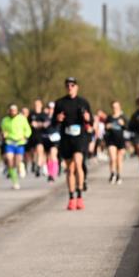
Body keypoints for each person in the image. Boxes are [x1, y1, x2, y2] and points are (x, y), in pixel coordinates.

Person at [52, 77, 92, 211]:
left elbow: (90, 121)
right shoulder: (60, 103)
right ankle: (71, 198)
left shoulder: (83, 102)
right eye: (68, 85)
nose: (70, 87)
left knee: (78, 163)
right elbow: (53, 123)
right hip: (66, 139)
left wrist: (88, 119)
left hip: (79, 138)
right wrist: (58, 119)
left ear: (77, 87)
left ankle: (80, 196)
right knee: (70, 169)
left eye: (72, 85)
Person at [0, 103, 31, 190]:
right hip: (9, 142)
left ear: (17, 111)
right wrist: (3, 134)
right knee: (9, 160)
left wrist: (25, 136)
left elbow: (28, 130)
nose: (12, 112)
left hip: (19, 142)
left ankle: (20, 165)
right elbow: (2, 131)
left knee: (17, 162)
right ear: (8, 111)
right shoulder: (5, 120)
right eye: (11, 110)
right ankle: (15, 182)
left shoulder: (22, 119)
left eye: (14, 110)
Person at [103, 101, 128, 185]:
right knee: (113, 158)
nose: (115, 108)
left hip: (121, 140)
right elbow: (105, 128)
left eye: (116, 106)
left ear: (119, 107)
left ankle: (118, 175)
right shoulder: (109, 117)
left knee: (119, 160)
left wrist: (123, 124)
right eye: (113, 107)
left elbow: (128, 127)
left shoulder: (123, 117)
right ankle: (112, 173)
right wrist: (107, 126)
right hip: (111, 140)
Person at [28, 99, 50, 178]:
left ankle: (39, 166)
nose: (36, 106)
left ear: (41, 105)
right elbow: (29, 124)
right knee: (34, 153)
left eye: (38, 104)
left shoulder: (44, 114)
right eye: (35, 104)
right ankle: (38, 164)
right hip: (32, 136)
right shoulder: (31, 114)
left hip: (42, 136)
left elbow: (46, 124)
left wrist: (38, 124)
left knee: (40, 150)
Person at [44, 101, 61, 183]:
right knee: (48, 157)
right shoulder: (44, 117)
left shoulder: (58, 117)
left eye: (53, 109)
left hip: (56, 139)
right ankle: (50, 173)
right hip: (47, 138)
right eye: (50, 108)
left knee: (53, 154)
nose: (51, 110)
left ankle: (53, 174)